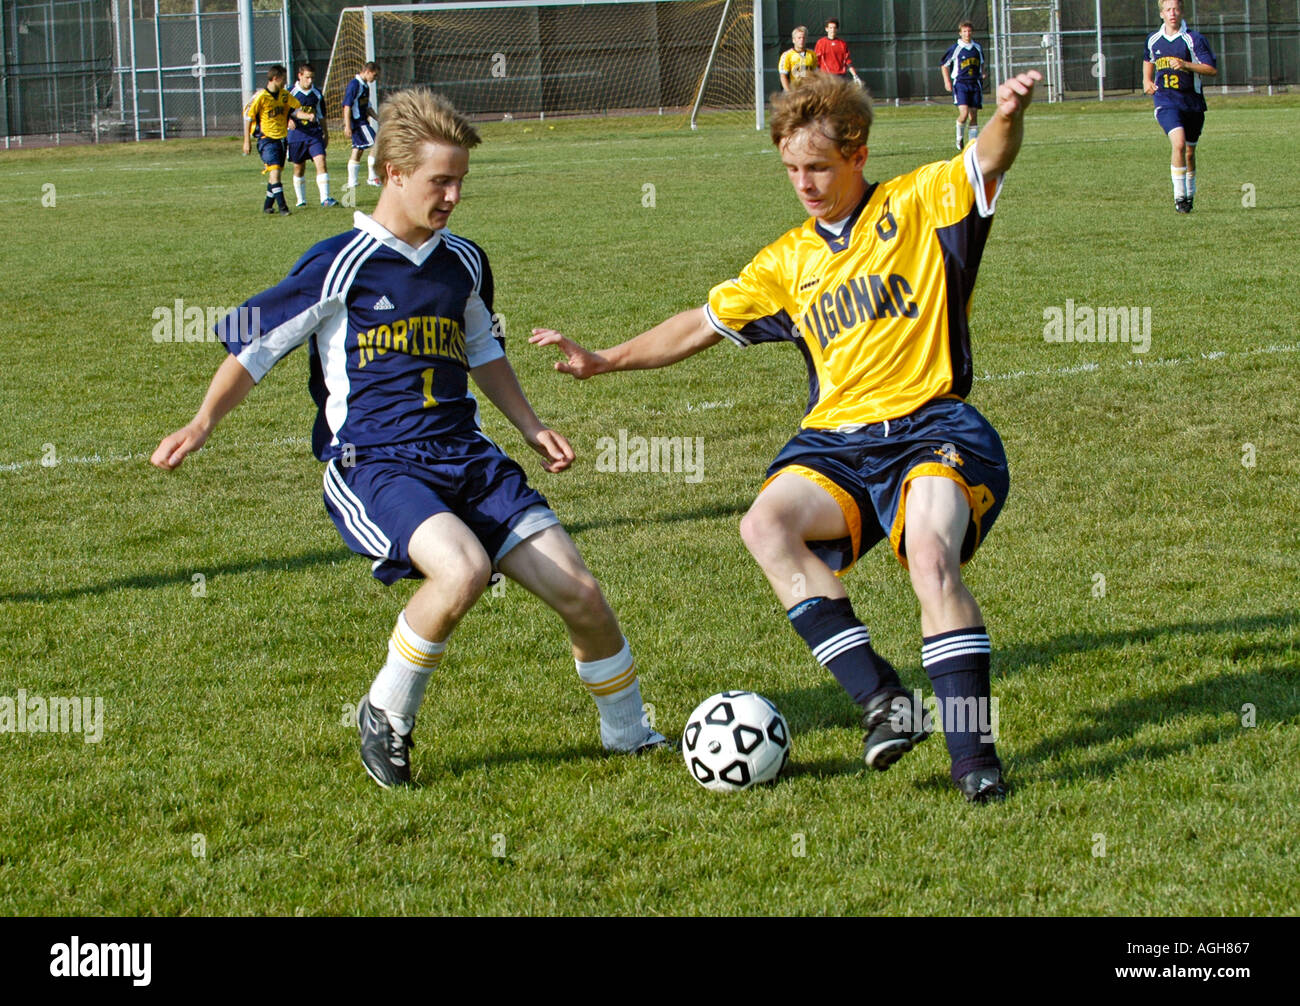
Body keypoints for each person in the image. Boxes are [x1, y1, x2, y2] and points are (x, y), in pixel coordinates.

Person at [532, 69, 1043, 803]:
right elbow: (698, 323)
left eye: (818, 167)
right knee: (764, 525)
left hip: (932, 427)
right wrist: (606, 358)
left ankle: (973, 758)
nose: (803, 183)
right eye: (791, 169)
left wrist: (1007, 113)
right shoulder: (786, 261)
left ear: (858, 153)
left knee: (931, 558)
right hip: (835, 441)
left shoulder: (921, 203)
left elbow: (989, 158)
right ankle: (884, 700)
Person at [151, 87, 666, 789]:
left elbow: (482, 349)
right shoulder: (343, 262)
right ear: (393, 173)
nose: (453, 194)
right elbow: (256, 348)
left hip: (469, 458)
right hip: (377, 464)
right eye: (439, 181)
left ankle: (630, 736)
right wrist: (202, 421)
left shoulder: (465, 262)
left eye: (460, 180)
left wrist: (532, 425)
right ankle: (385, 713)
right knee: (461, 572)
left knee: (582, 592)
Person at [1143, 0, 1217, 213]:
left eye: (1175, 9)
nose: (1172, 13)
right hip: (1166, 101)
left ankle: (1189, 195)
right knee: (1178, 144)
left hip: (1192, 103)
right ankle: (1179, 197)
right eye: (1168, 10)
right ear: (1161, 14)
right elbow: (1148, 59)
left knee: (1189, 153)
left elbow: (1211, 69)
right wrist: (1147, 81)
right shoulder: (1153, 39)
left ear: (1181, 11)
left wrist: (1186, 65)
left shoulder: (1193, 39)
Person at [243, 64, 311, 215]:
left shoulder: (284, 95)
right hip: (266, 139)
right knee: (274, 171)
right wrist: (246, 141)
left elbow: (295, 111)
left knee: (276, 173)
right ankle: (283, 207)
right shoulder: (261, 96)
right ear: (275, 78)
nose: (285, 82)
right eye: (283, 79)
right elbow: (248, 118)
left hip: (281, 139)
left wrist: (308, 116)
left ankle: (268, 205)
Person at [287, 62, 339, 208]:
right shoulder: (290, 92)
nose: (310, 81)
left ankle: (325, 199)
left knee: (321, 161)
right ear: (300, 76)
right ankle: (301, 200)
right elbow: (282, 111)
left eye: (312, 78)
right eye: (307, 78)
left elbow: (321, 115)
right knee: (299, 168)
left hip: (314, 134)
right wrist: (288, 120)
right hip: (297, 135)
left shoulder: (316, 93)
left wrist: (326, 133)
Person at [940, 21, 986, 151]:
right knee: (964, 113)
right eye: (964, 31)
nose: (967, 33)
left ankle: (972, 144)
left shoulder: (977, 47)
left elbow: (982, 62)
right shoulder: (956, 48)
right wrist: (947, 81)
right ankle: (959, 138)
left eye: (969, 31)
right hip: (961, 83)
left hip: (975, 83)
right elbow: (944, 65)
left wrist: (983, 72)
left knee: (974, 115)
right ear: (960, 33)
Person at [343, 62, 382, 188]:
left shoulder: (364, 86)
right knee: (377, 144)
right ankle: (372, 177)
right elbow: (347, 106)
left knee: (358, 150)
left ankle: (352, 182)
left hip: (361, 122)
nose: (375, 79)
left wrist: (377, 118)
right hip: (358, 122)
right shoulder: (355, 84)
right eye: (374, 76)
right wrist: (347, 125)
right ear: (368, 71)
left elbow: (367, 106)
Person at [814, 19, 860, 86]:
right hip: (826, 77)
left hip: (840, 77)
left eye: (834, 28)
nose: (832, 30)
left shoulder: (842, 44)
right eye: (830, 28)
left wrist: (855, 76)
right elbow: (816, 61)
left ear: (837, 29)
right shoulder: (821, 43)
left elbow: (848, 62)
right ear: (826, 29)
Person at [779, 26, 816, 92]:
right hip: (794, 90)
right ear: (793, 40)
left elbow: (815, 73)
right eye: (799, 38)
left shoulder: (812, 54)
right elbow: (783, 76)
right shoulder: (787, 55)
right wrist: (789, 92)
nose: (801, 40)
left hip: (808, 90)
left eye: (803, 38)